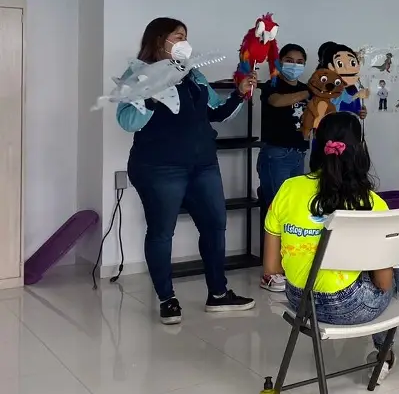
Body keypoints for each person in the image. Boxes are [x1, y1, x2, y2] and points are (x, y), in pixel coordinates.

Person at [263, 112, 399, 381]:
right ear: (360, 150)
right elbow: (383, 284)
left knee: (385, 263)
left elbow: (271, 268)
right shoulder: (370, 202)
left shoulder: (289, 189)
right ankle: (390, 348)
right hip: (350, 308)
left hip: (299, 299)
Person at [116, 17, 256, 325]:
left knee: (215, 224)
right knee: (162, 231)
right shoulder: (137, 74)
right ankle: (167, 300)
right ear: (159, 40)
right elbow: (126, 121)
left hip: (203, 164)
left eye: (185, 36)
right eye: (178, 36)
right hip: (158, 168)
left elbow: (217, 114)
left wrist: (240, 93)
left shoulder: (193, 75)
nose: (184, 41)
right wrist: (150, 96)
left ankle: (218, 294)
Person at [257, 43, 311, 292]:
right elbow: (276, 101)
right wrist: (307, 93)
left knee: (291, 210)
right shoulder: (272, 84)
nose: (295, 65)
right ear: (279, 61)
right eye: (289, 59)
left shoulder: (308, 88)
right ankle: (270, 271)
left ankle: (285, 264)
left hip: (298, 154)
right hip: (276, 154)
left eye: (300, 61)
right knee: (274, 209)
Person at [317, 41, 368, 119]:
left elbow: (355, 110)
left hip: (348, 128)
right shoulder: (316, 88)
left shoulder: (351, 88)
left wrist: (361, 113)